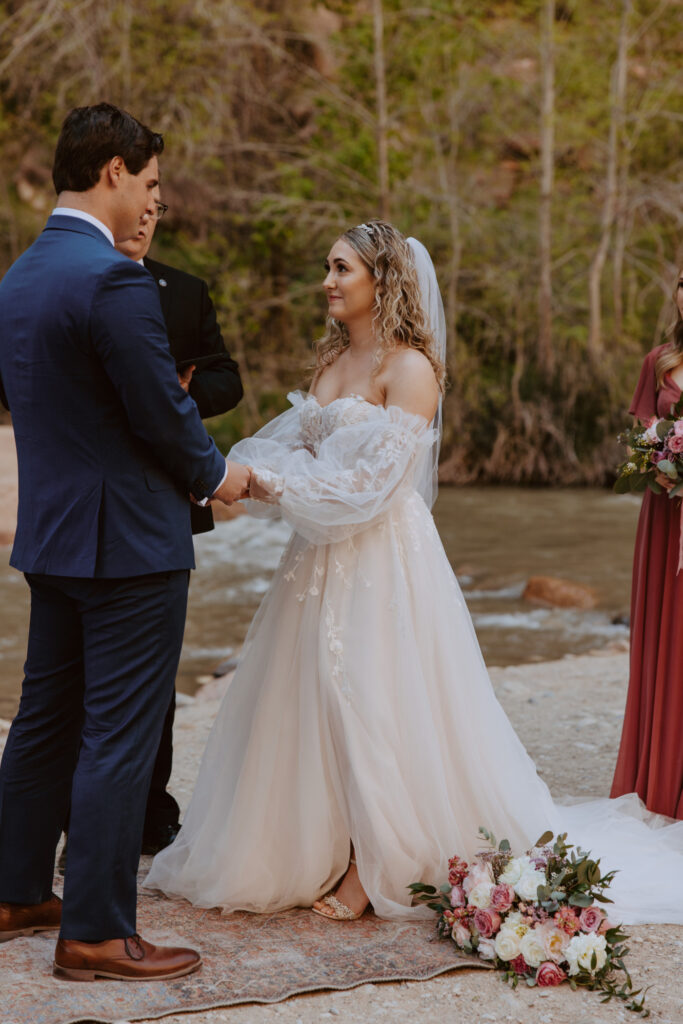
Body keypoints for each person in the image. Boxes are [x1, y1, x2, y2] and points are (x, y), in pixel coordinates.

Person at [147, 221, 683, 926]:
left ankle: (379, 863)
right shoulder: (332, 363)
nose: (327, 282)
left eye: (341, 269)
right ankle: (319, 842)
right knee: (305, 694)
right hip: (316, 559)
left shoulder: (411, 371)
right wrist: (240, 472)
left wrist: (255, 483)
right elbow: (314, 463)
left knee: (371, 697)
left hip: (380, 556)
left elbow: (369, 485)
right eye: (327, 268)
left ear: (381, 278)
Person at [0, 103, 250, 980]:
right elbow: (159, 409)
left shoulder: (22, 274)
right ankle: (97, 932)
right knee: (119, 734)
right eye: (146, 182)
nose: (150, 198)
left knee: (45, 721)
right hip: (131, 546)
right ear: (112, 172)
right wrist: (220, 476)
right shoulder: (111, 279)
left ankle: (17, 890)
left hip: (55, 537)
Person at [117, 205, 243, 854]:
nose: (146, 218)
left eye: (157, 207)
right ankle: (85, 823)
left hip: (170, 495)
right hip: (98, 496)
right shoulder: (81, 283)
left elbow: (227, 376)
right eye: (140, 199)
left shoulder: (185, 291)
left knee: (155, 676)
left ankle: (150, 816)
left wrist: (176, 392)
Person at [611, 268, 683, 819]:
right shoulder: (659, 359)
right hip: (665, 514)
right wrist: (657, 461)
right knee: (667, 634)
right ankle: (658, 777)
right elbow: (640, 427)